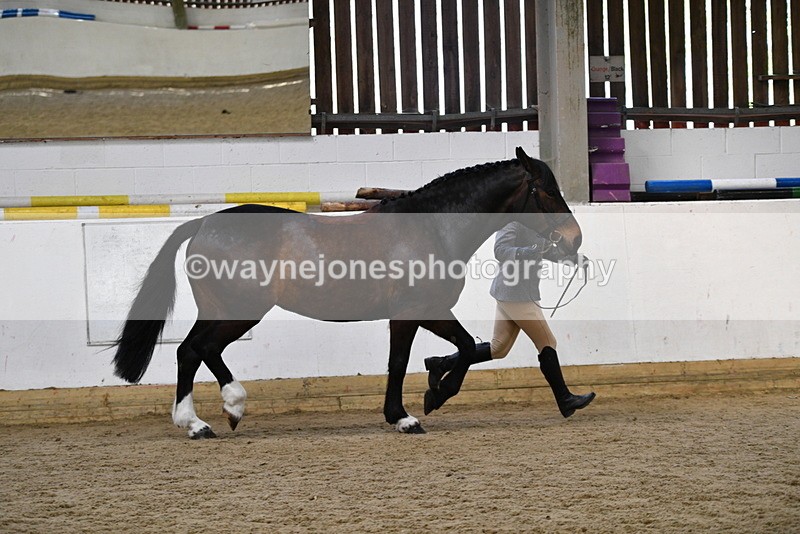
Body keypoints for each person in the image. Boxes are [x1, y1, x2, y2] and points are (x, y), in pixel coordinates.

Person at [423, 221, 596, 417]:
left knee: (499, 348)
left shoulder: (536, 225)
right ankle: (565, 399)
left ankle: (442, 364)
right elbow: (501, 250)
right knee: (547, 342)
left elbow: (546, 251)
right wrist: (531, 249)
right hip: (516, 294)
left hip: (513, 293)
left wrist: (573, 259)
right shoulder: (513, 222)